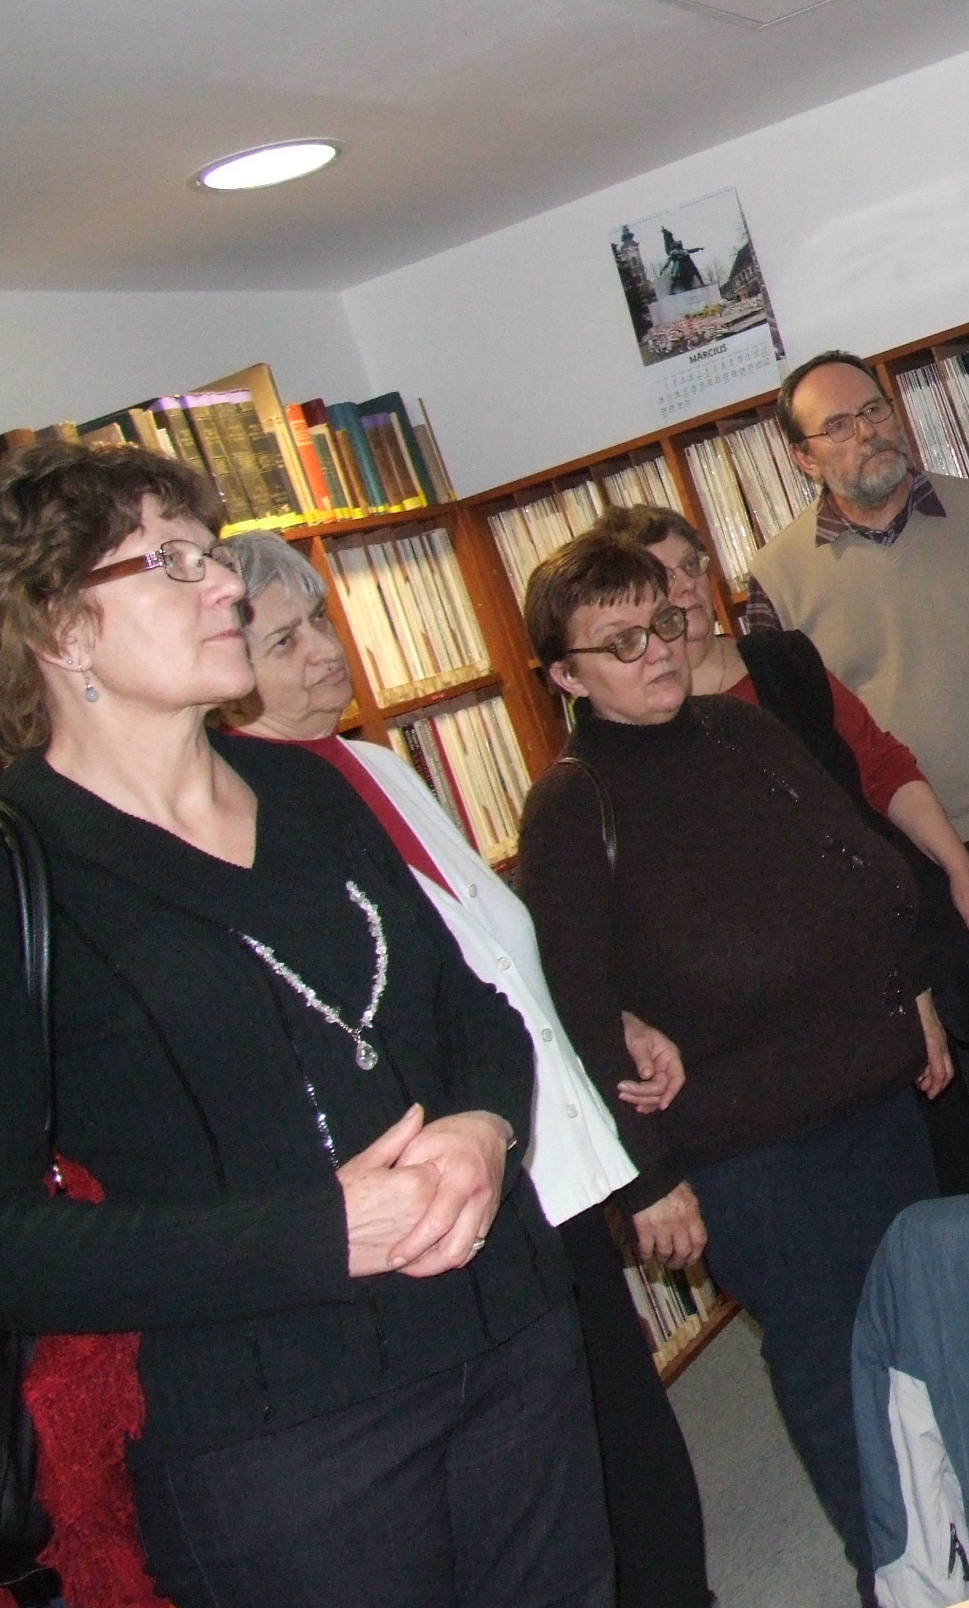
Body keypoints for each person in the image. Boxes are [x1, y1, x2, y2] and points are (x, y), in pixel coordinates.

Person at [0, 439, 611, 1608]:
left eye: (213, 553)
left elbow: (473, 1008)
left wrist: (485, 1129)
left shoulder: (310, 785)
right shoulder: (25, 871)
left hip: (510, 1330)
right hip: (281, 1437)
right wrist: (317, 1232)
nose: (225, 585)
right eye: (172, 562)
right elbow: (14, 1244)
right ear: (62, 627)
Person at [219, 530, 709, 1608]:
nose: (325, 652)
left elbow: (483, 952)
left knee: (622, 1427)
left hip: (530, 1144)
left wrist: (605, 1019)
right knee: (578, 1459)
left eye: (320, 622)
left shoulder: (371, 763)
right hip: (467, 1181)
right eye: (284, 640)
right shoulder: (262, 808)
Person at [515, 530, 948, 1605]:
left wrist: (913, 1001)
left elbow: (863, 865)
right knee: (830, 1358)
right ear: (565, 676)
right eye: (621, 642)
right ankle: (895, 1572)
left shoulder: (741, 730)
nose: (659, 651)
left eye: (665, 622)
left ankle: (967, 1538)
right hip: (744, 1147)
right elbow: (578, 1007)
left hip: (869, 1095)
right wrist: (649, 1179)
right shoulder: (572, 803)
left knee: (921, 1326)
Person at [595, 500, 969, 1191]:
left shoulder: (782, 663)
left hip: (890, 965)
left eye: (692, 565)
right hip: (778, 1033)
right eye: (662, 578)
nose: (686, 588)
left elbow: (881, 766)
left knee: (955, 1173)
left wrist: (958, 868)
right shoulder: (632, 742)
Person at [743, 349, 969, 1056]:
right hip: (903, 860)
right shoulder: (778, 578)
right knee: (941, 1066)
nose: (867, 431)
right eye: (838, 426)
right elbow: (792, 731)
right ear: (804, 458)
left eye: (874, 410)